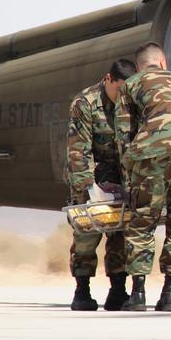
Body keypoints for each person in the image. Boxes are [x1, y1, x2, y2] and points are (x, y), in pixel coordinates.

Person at [114, 42, 171, 312]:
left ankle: (138, 293)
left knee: (143, 220)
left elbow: (123, 134)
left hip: (152, 153)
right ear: (163, 62)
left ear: (139, 66)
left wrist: (127, 177)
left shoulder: (131, 84)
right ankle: (170, 294)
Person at [64, 57, 136, 311]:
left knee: (121, 234)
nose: (123, 96)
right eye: (119, 89)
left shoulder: (131, 102)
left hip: (119, 176)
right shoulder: (85, 103)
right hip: (90, 175)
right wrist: (89, 189)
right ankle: (82, 290)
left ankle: (118, 290)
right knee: (87, 231)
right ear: (108, 79)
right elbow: (78, 151)